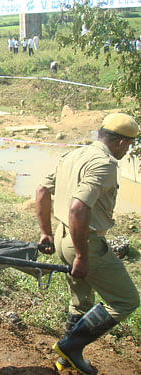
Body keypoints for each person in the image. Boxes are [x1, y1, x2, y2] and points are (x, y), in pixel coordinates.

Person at [35, 114, 139, 375]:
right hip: (85, 242)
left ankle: (65, 358)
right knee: (125, 300)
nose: (127, 151)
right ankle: (70, 348)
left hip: (62, 237)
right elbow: (79, 207)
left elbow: (42, 191)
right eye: (128, 145)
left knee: (80, 302)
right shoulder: (104, 164)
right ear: (119, 142)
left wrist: (46, 233)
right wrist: (82, 255)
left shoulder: (73, 155)